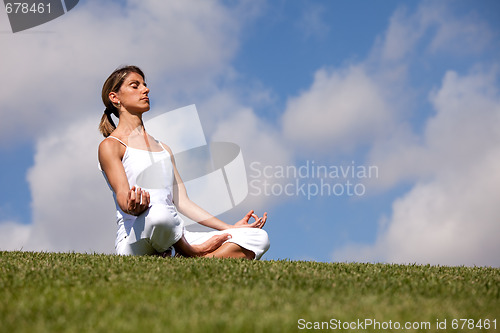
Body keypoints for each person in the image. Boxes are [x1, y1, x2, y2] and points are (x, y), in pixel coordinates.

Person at [98, 65, 270, 259]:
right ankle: (193, 252)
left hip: (175, 233)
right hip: (137, 236)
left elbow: (183, 203)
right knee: (160, 215)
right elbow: (122, 196)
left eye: (145, 85)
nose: (145, 90)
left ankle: (192, 259)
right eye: (135, 86)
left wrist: (230, 228)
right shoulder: (111, 145)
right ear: (115, 97)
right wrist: (132, 205)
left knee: (258, 237)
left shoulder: (163, 148)